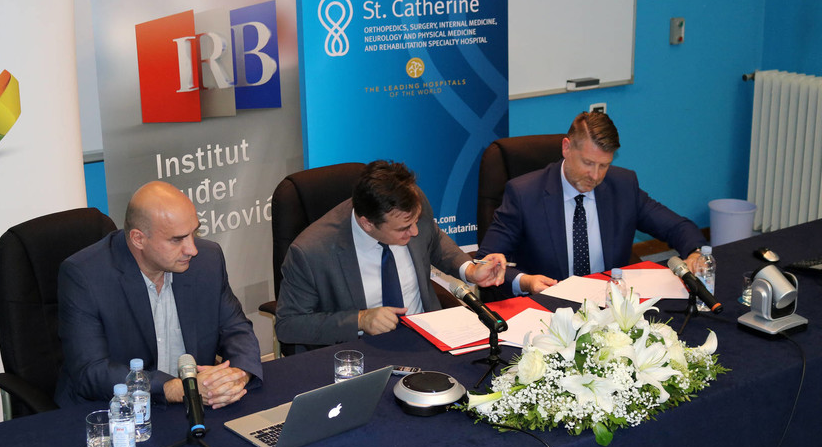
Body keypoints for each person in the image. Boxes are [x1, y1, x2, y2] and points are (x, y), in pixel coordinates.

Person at [54, 181, 261, 409]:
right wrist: (175, 388)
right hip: (114, 410)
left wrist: (237, 375)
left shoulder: (207, 261)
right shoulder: (85, 276)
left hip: (196, 403)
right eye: (177, 239)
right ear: (138, 239)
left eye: (193, 233)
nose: (192, 249)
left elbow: (236, 329)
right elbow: (91, 371)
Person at [274, 160, 507, 347]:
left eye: (415, 221)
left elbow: (433, 238)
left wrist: (469, 269)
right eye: (404, 229)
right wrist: (360, 320)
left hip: (429, 339)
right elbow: (288, 325)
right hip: (363, 351)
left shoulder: (411, 201)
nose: (414, 232)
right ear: (367, 223)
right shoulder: (311, 251)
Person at [477, 111, 709, 295]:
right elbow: (486, 260)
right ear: (566, 148)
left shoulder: (623, 186)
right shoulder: (524, 194)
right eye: (588, 163)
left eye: (604, 165)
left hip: (608, 303)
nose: (595, 176)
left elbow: (677, 226)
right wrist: (525, 281)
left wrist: (695, 253)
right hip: (549, 306)